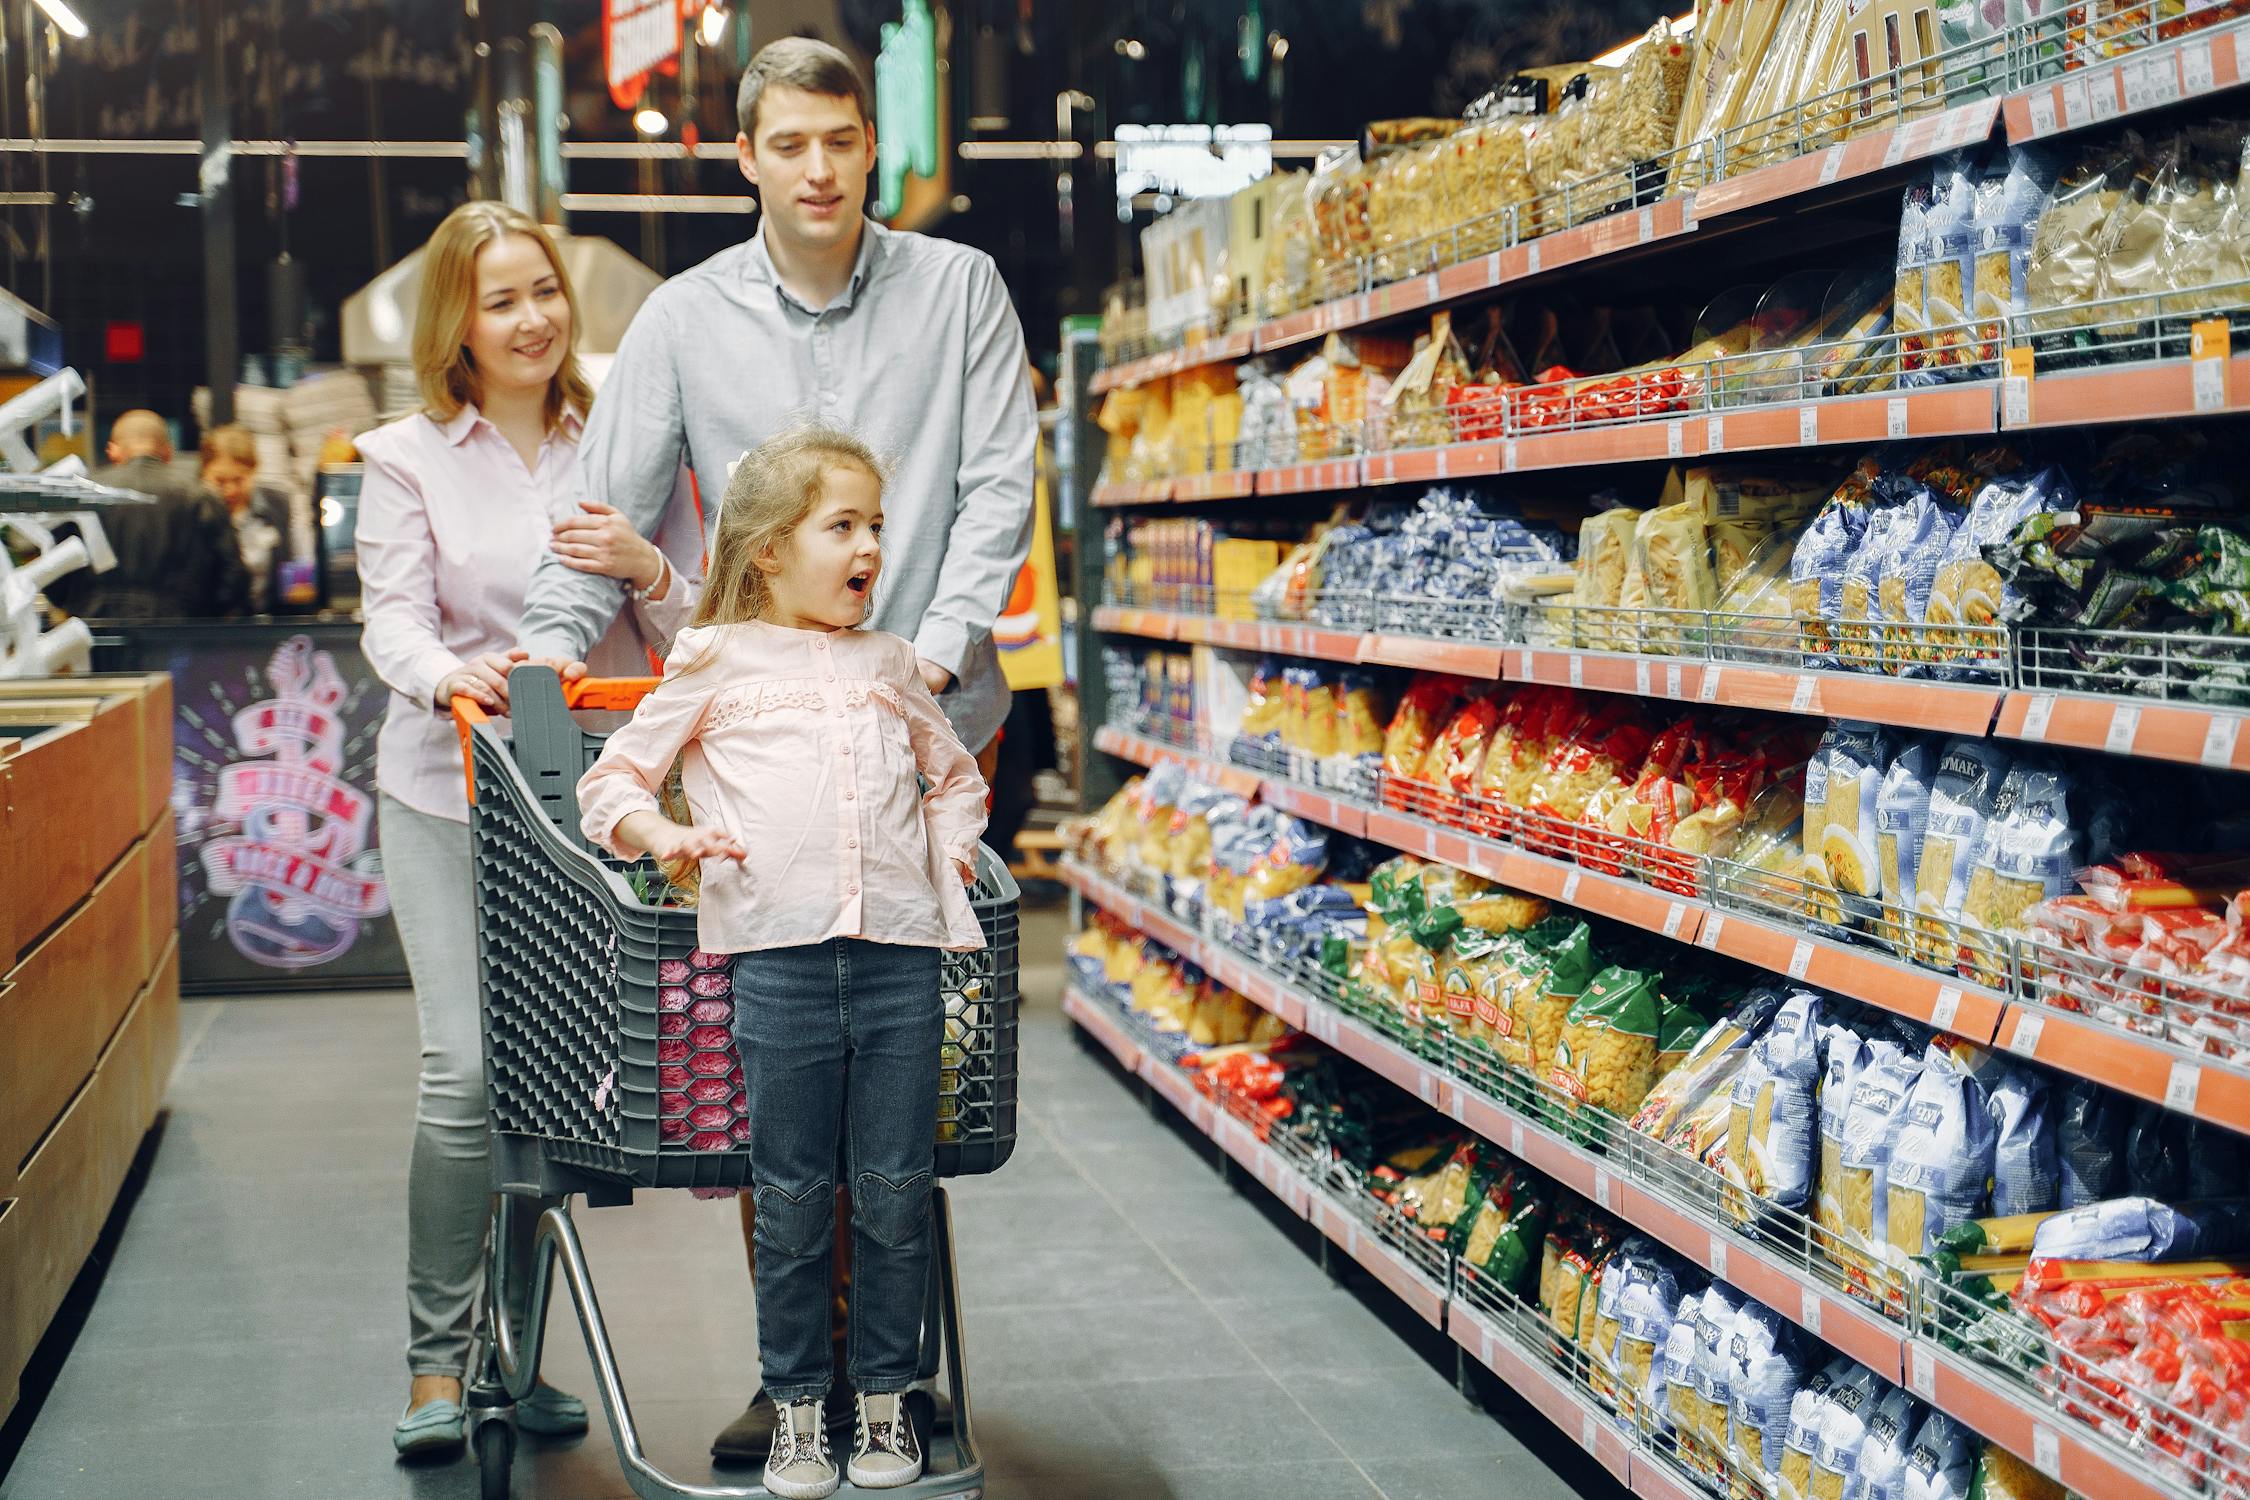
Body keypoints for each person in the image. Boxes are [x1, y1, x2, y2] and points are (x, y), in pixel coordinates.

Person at [505, 35, 1036, 1463]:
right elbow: (605, 512)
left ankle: (887, 1372)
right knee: (773, 1080)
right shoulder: (683, 320)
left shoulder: (960, 289)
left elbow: (997, 483)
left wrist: (924, 653)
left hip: (922, 720)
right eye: (788, 144)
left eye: (840, 141)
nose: (817, 168)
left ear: (874, 149)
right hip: (753, 755)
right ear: (743, 156)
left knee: (908, 1087)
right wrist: (541, 658)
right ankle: (801, 1377)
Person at [353, 199, 706, 1462]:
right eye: (499, 297)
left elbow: (693, 632)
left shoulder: (626, 441)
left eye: (544, 290)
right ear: (457, 317)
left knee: (550, 1083)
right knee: (464, 1072)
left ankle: (516, 1358)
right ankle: (436, 1367)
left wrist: (646, 564)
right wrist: (445, 673)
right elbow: (389, 617)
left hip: (581, 811)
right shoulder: (405, 456)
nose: (531, 317)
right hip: (448, 793)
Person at [577, 427, 989, 1500]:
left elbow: (954, 780)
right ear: (768, 550)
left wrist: (942, 864)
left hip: (901, 960)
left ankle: (890, 1399)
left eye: (876, 528)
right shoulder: (714, 660)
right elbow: (613, 781)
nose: (869, 548)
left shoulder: (893, 664)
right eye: (841, 526)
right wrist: (665, 840)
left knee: (897, 1193)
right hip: (776, 963)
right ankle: (801, 1412)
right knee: (798, 1196)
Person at [45, 409, 248, 619]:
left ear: (113, 452)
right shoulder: (200, 496)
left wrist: (78, 605)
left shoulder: (82, 494)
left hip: (97, 630)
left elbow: (53, 576)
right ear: (168, 452)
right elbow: (232, 576)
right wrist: (205, 615)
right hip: (180, 633)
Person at [198, 423, 283, 612]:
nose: (230, 490)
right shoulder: (193, 510)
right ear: (204, 473)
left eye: (239, 480)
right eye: (219, 481)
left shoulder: (277, 505)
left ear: (254, 470)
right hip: (211, 623)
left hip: (268, 620)